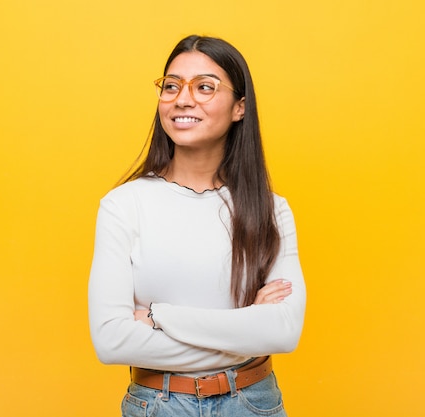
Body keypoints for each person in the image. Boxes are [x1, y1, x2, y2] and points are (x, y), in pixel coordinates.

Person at [88, 34, 306, 417]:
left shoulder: (270, 210)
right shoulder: (124, 205)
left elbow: (283, 332)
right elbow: (112, 341)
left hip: (252, 404)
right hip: (159, 405)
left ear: (240, 107)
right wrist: (246, 329)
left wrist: (160, 317)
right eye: (171, 86)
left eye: (205, 87)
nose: (183, 99)